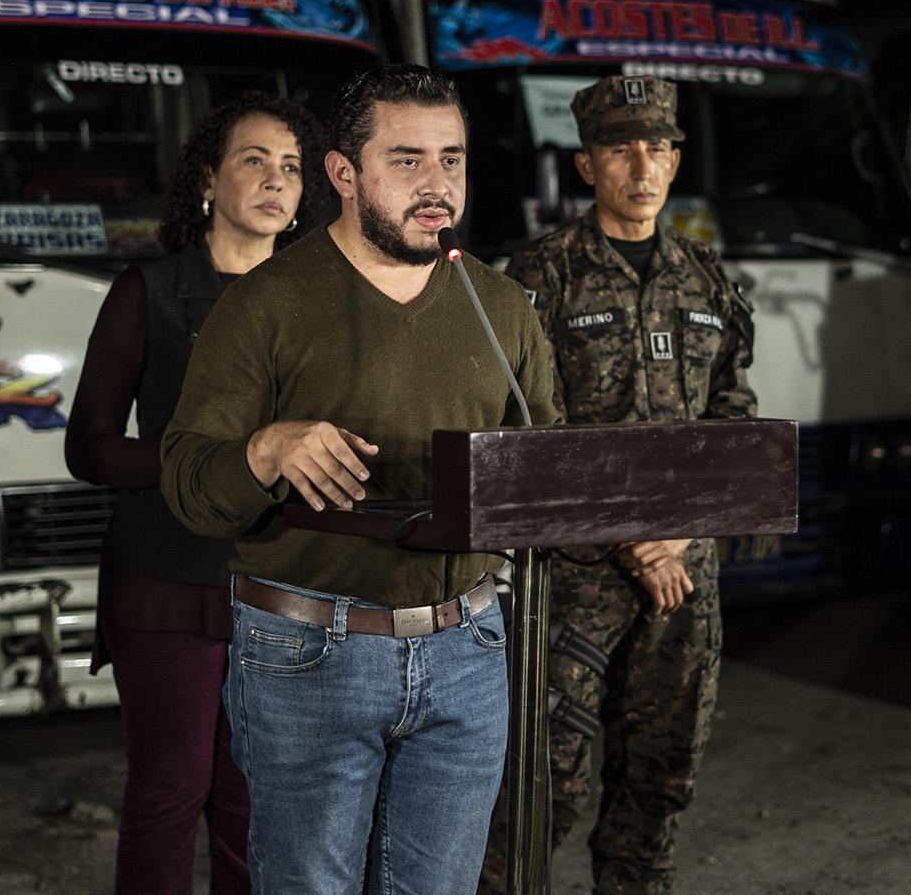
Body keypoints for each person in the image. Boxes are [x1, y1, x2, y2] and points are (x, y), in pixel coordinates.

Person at [161, 64, 563, 895]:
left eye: (451, 159)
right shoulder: (265, 304)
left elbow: (545, 463)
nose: (437, 184)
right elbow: (187, 482)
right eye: (407, 159)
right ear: (343, 173)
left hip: (468, 645)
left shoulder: (501, 305)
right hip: (309, 651)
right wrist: (267, 449)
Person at [480, 76, 755, 895]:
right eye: (622, 148)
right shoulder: (539, 277)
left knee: (658, 786)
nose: (644, 164)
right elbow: (525, 428)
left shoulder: (706, 279)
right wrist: (637, 538)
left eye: (659, 147)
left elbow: (733, 423)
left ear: (675, 160)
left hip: (684, 582)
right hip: (572, 581)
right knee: (539, 795)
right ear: (587, 163)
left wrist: (681, 533)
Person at [66, 92, 326, 895]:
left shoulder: (317, 301)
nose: (276, 180)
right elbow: (91, 448)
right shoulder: (148, 291)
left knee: (256, 806)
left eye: (291, 167)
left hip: (281, 585)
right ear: (208, 180)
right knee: (171, 791)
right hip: (169, 578)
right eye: (255, 160)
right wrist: (216, 465)